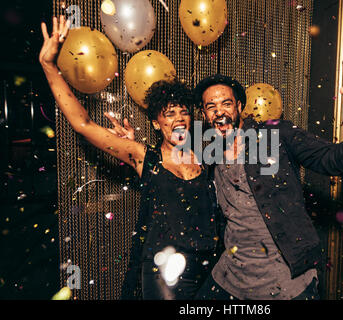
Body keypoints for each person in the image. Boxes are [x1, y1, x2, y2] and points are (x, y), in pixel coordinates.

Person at [189, 73, 343, 300]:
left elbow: (333, 159)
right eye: (211, 107)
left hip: (284, 279)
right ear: (205, 114)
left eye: (226, 103)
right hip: (231, 276)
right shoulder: (212, 155)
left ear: (239, 107)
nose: (219, 111)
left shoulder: (276, 134)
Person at [39, 16, 223, 300]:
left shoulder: (207, 159)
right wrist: (49, 66)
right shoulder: (143, 157)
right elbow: (84, 125)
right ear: (155, 123)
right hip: (164, 275)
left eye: (183, 112)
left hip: (210, 270)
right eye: (168, 114)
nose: (177, 119)